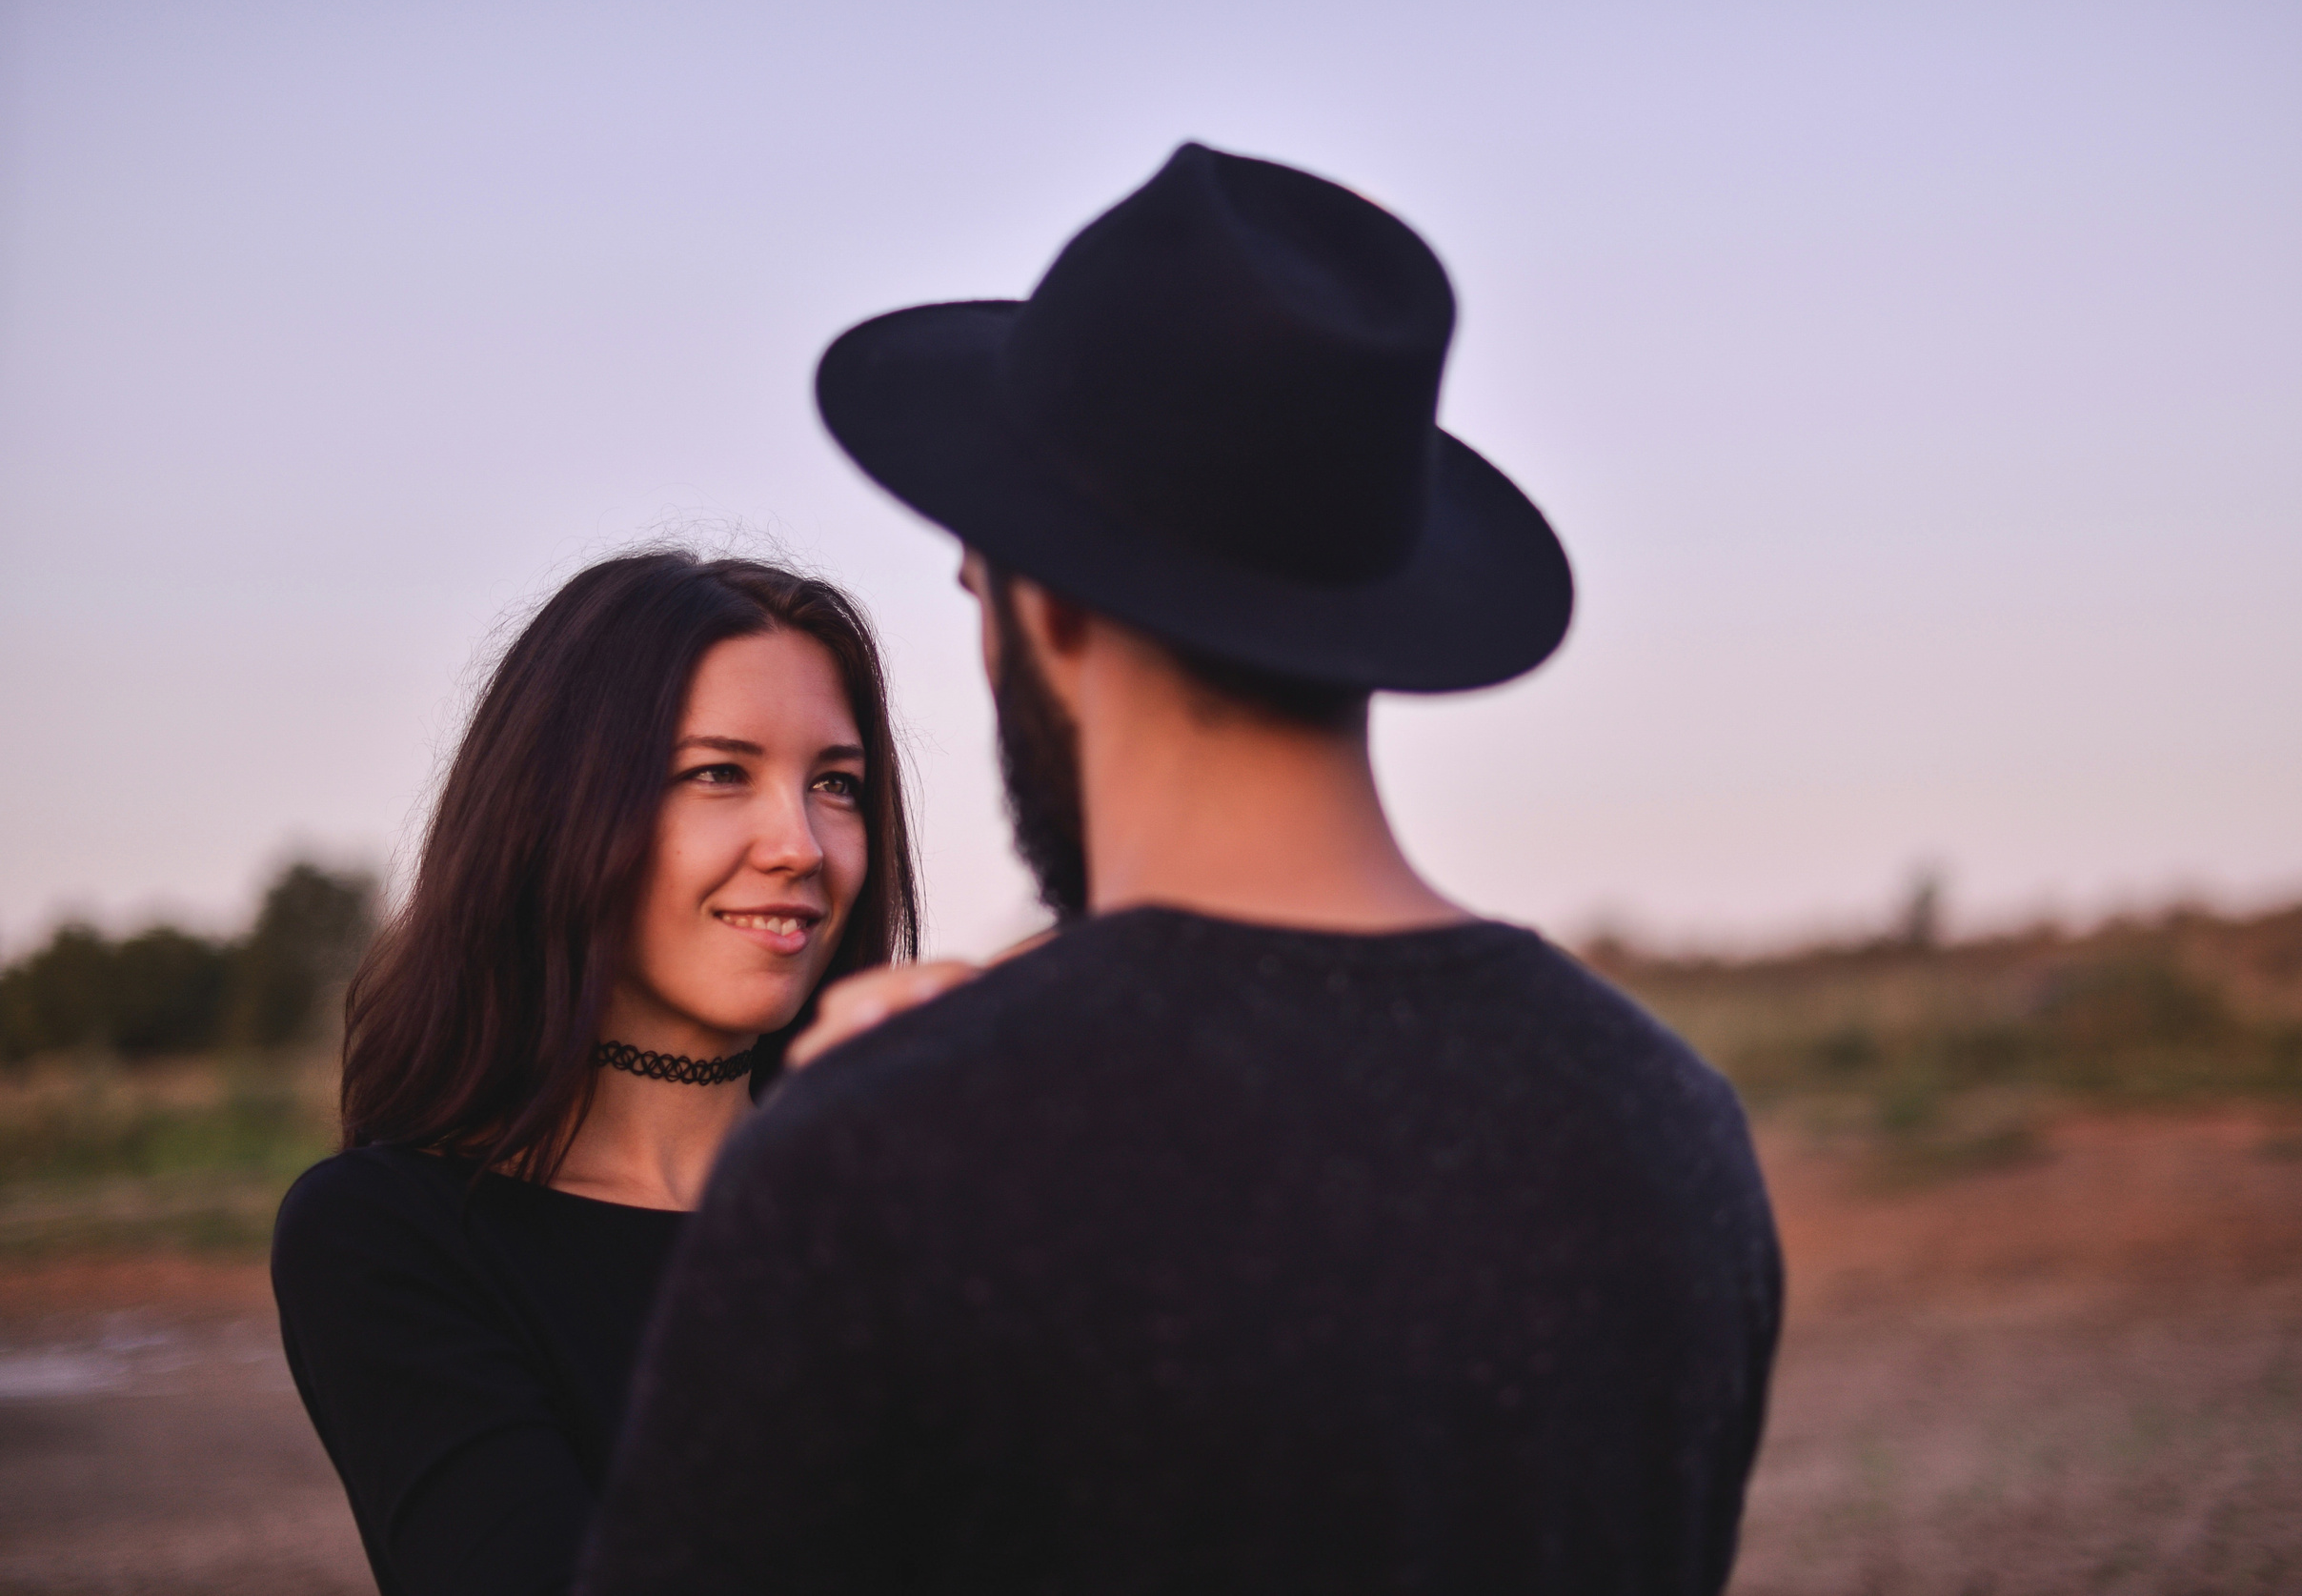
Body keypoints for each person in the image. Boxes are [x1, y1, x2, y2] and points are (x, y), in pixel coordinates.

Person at [583, 144, 1782, 1594]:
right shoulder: (1674, 1129)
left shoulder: (882, 1166)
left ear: (1055, 609)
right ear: (1381, 609)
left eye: (979, 591)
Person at [271, 551, 919, 1596]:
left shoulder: (911, 1202)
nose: (800, 842)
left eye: (835, 784)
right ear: (558, 803)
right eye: (719, 772)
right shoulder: (391, 1234)